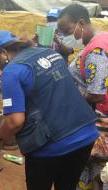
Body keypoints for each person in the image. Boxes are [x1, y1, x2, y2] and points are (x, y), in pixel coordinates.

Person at [0, 30, 99, 190]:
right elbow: (45, 86)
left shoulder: (11, 71)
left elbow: (14, 122)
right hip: (85, 135)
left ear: (3, 53)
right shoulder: (49, 53)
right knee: (67, 186)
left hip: (52, 146)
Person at [57, 4, 108, 189]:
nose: (67, 35)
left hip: (97, 124)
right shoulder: (99, 39)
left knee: (90, 176)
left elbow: (96, 93)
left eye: (68, 30)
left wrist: (70, 99)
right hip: (91, 120)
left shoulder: (96, 50)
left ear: (81, 23)